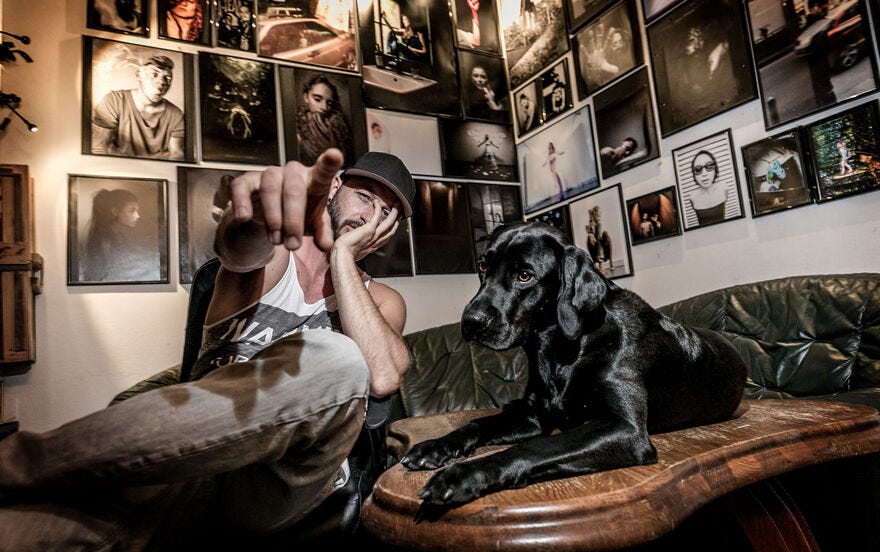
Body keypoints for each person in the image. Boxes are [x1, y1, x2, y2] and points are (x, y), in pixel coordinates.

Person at [0, 149, 416, 549]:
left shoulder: (381, 300)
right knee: (23, 530)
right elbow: (238, 253)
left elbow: (382, 375)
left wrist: (342, 258)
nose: (368, 218)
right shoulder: (275, 258)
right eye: (363, 197)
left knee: (339, 358)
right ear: (335, 186)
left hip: (280, 487)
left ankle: (16, 463)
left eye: (386, 213)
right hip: (192, 460)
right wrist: (247, 218)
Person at [91, 54, 185, 160]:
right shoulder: (114, 100)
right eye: (154, 74)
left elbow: (177, 154)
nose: (162, 82)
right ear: (139, 75)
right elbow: (98, 148)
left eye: (167, 78)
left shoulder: (176, 114)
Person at [81, 187, 156, 282]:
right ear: (115, 212)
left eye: (137, 210)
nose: (138, 216)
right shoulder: (105, 241)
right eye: (132, 210)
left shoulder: (116, 236)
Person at [296, 74, 354, 167]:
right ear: (306, 97)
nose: (324, 107)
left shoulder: (339, 126)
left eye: (329, 103)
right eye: (317, 99)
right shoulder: (297, 129)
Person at [687, 149, 728, 226]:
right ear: (694, 175)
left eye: (709, 166)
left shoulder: (724, 188)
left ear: (715, 169)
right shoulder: (692, 197)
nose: (704, 174)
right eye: (698, 169)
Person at [586, 205, 613, 274]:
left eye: (598, 214)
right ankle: (600, 265)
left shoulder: (599, 224)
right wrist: (591, 234)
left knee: (603, 232)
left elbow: (608, 239)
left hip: (604, 251)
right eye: (596, 214)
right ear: (593, 214)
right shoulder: (591, 224)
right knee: (590, 236)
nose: (598, 216)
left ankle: (605, 264)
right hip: (595, 251)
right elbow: (589, 229)